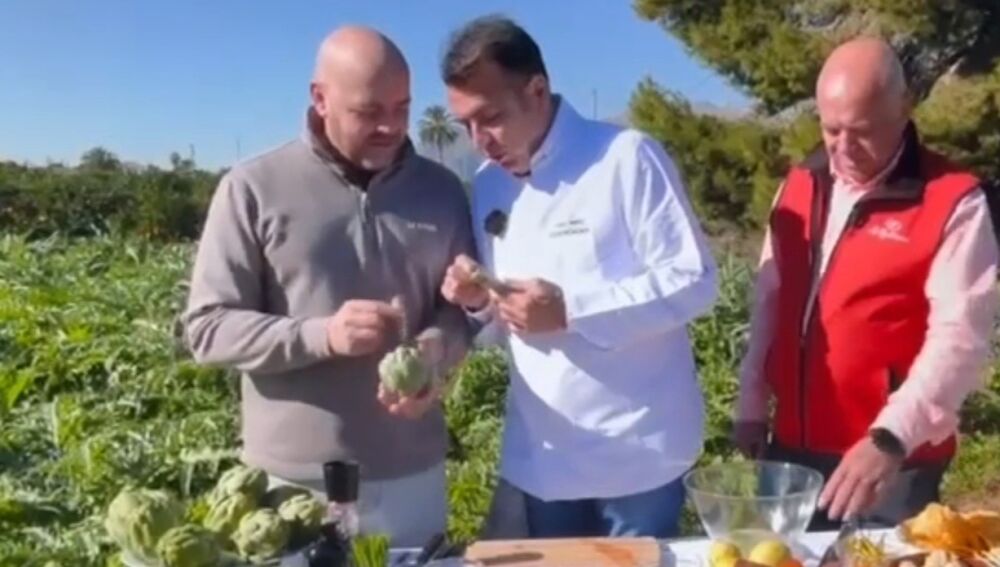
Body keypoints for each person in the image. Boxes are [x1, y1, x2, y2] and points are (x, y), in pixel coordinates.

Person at [181, 26, 474, 547]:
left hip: (413, 477)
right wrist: (323, 336)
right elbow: (208, 328)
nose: (390, 126)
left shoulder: (443, 191)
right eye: (368, 111)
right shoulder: (252, 188)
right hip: (292, 488)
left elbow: (461, 312)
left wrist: (434, 350)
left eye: (402, 108)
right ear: (320, 99)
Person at [438, 15, 718, 539]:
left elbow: (694, 281)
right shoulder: (489, 185)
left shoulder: (625, 158)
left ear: (537, 90)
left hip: (637, 459)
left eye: (490, 118)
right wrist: (479, 301)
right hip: (543, 460)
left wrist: (571, 310)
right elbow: (507, 328)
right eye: (465, 125)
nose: (479, 141)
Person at [733, 37, 999, 529]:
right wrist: (751, 399)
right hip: (792, 446)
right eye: (831, 129)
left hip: (892, 458)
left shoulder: (953, 201)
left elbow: (959, 336)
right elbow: (770, 298)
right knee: (781, 558)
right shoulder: (798, 185)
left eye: (863, 132)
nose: (843, 147)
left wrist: (892, 437)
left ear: (904, 108)